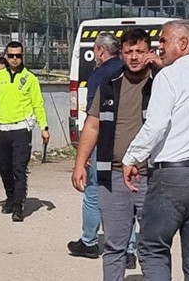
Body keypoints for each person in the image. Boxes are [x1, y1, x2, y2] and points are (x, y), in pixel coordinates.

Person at [122, 20, 189, 281]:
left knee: (153, 247)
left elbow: (156, 125)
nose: (160, 48)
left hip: (173, 175)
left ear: (182, 44)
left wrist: (132, 156)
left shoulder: (169, 75)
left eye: (164, 41)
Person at [72, 28, 156, 279]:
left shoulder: (162, 82)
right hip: (114, 175)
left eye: (139, 51)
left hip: (151, 176)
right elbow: (92, 124)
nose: (133, 57)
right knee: (114, 246)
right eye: (128, 51)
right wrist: (80, 163)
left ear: (149, 52)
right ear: (120, 54)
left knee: (152, 248)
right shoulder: (109, 85)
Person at [0, 41, 49, 222]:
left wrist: (43, 127)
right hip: (1, 129)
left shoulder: (30, 78)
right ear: (6, 57)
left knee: (19, 168)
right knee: (4, 168)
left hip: (21, 129)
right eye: (11, 55)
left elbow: (38, 104)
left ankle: (18, 205)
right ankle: (10, 197)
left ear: (23, 56)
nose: (15, 59)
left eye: (18, 55)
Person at [68, 32, 127, 260]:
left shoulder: (99, 76)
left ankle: (89, 241)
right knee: (126, 193)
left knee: (92, 190)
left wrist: (85, 154)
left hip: (102, 142)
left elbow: (94, 117)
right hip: (127, 142)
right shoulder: (129, 71)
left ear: (101, 51)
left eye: (96, 50)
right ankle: (129, 248)